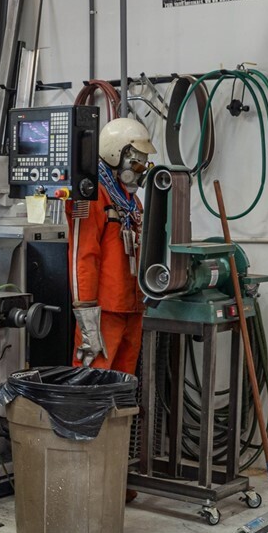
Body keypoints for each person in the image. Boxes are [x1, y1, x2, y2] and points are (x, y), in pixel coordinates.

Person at [72, 116, 155, 374]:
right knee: (92, 385)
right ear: (116, 154)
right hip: (103, 314)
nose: (141, 168)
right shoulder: (91, 196)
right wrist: (86, 317)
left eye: (144, 161)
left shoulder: (133, 203)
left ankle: (123, 418)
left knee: (124, 386)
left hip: (132, 307)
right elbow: (81, 256)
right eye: (137, 161)